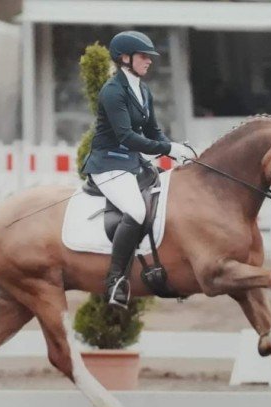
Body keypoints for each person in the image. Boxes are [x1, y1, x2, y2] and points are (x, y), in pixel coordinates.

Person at [81, 31, 196, 309]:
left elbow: (152, 130)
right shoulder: (112, 91)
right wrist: (167, 150)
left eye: (149, 57)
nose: (149, 62)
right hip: (108, 163)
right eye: (144, 56)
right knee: (136, 210)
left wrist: (175, 146)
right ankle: (115, 281)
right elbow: (126, 137)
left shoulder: (143, 90)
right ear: (125, 58)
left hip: (132, 163)